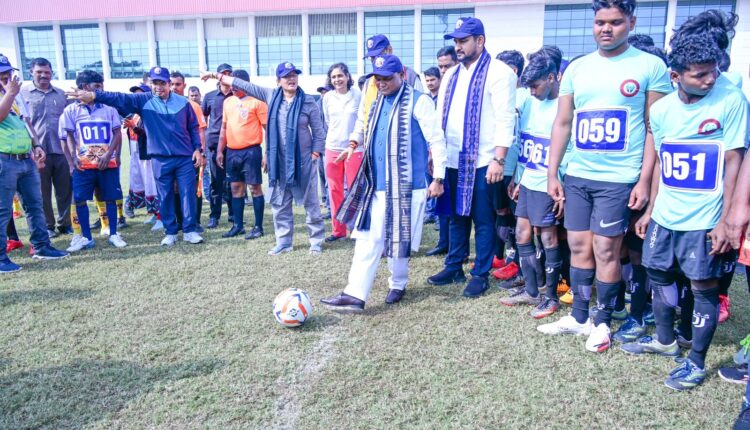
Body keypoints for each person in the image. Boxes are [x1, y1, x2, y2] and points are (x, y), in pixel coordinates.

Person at [536, 0, 672, 354]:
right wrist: (553, 173)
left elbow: (655, 129)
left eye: (614, 22)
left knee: (606, 250)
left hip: (619, 178)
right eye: (599, 22)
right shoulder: (578, 68)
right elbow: (563, 123)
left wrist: (644, 181)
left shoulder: (650, 66)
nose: (606, 29)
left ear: (631, 22)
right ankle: (579, 317)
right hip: (578, 176)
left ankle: (601, 322)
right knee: (578, 246)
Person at [621, 33, 747, 392]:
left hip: (705, 219)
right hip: (666, 215)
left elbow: (734, 163)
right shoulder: (661, 110)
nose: (710, 79)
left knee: (703, 287)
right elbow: (662, 161)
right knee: (657, 272)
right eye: (700, 75)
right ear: (675, 76)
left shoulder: (731, 100)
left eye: (713, 72)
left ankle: (695, 361)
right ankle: (664, 340)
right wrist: (651, 210)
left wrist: (725, 220)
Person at [320, 54, 447, 311]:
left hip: (408, 187)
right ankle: (354, 294)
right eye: (377, 78)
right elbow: (365, 126)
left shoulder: (419, 101)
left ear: (401, 74)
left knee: (398, 241)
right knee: (368, 237)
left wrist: (439, 178)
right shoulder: (376, 99)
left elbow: (436, 139)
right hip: (375, 184)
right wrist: (353, 143)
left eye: (387, 78)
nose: (382, 83)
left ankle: (398, 283)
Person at [426, 17, 517, 298]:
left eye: (463, 40)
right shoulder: (452, 74)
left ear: (480, 41)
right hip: (452, 157)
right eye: (456, 41)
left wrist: (498, 159)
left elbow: (505, 119)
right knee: (454, 216)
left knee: (483, 218)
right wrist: (435, 154)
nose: (458, 46)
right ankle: (454, 265)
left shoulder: (500, 73)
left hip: (483, 161)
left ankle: (480, 273)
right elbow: (439, 117)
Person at [66, 66, 204, 246]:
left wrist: (197, 149)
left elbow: (193, 127)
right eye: (155, 83)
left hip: (184, 157)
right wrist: (94, 96)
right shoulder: (143, 100)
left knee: (187, 195)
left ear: (169, 84)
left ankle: (189, 230)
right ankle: (170, 232)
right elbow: (119, 98)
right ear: (150, 84)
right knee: (165, 195)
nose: (158, 87)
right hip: (160, 159)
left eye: (162, 83)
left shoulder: (183, 102)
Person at [201, 62, 326, 255]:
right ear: (278, 81)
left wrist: (315, 153)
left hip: (304, 162)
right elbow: (243, 84)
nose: (291, 79)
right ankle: (284, 242)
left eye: (294, 75)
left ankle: (316, 241)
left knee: (311, 204)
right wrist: (215, 76)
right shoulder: (271, 96)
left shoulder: (308, 101)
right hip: (279, 163)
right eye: (286, 76)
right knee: (280, 203)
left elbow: (318, 132)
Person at [499, 46, 565, 320]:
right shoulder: (528, 102)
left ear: (552, 78)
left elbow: (568, 149)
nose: (533, 91)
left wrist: (560, 188)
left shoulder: (564, 106)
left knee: (547, 236)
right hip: (528, 180)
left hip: (549, 184)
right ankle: (531, 289)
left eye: (536, 86)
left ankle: (551, 297)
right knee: (522, 233)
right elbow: (520, 142)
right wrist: (516, 175)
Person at [0, 54, 69, 272]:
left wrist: (36, 145)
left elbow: (26, 121)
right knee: (2, 211)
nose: (6, 75)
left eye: (7, 71)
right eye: (1, 71)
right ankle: (1, 258)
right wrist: (10, 94)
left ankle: (42, 246)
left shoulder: (15, 94)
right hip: (4, 160)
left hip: (25, 159)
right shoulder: (12, 93)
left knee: (34, 205)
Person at [60, 70, 127, 252]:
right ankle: (86, 237)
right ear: (84, 87)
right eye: (96, 86)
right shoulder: (71, 110)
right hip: (84, 165)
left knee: (111, 198)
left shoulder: (109, 108)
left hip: (107, 163)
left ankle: (114, 233)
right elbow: (67, 136)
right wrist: (72, 160)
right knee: (80, 199)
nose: (101, 89)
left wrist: (110, 154)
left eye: (101, 85)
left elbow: (117, 133)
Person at [21, 57, 73, 238]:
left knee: (65, 190)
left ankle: (65, 223)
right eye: (39, 72)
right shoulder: (22, 94)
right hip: (36, 151)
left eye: (47, 72)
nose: (44, 75)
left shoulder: (61, 94)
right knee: (42, 192)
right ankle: (48, 226)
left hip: (61, 150)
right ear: (31, 73)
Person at [217, 69, 268, 240]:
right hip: (232, 152)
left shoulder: (257, 102)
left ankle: (258, 227)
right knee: (236, 188)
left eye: (234, 83)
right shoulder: (228, 102)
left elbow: (267, 130)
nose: (231, 87)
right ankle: (238, 226)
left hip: (251, 151)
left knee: (254, 188)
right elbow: (224, 128)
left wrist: (267, 153)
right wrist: (219, 150)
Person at [322, 63, 362, 242]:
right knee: (335, 190)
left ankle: (356, 229)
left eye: (340, 76)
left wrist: (353, 143)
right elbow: (328, 121)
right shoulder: (327, 97)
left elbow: (362, 121)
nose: (337, 80)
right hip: (332, 148)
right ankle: (338, 230)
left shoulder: (358, 95)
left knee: (355, 190)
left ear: (347, 76)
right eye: (334, 77)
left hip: (354, 149)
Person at [169, 71, 207, 233]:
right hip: (172, 155)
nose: (174, 87)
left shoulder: (194, 106)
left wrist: (201, 152)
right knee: (175, 188)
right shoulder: (164, 105)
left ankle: (195, 221)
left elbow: (200, 131)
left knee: (194, 188)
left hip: (192, 154)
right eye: (171, 84)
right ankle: (179, 221)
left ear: (184, 86)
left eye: (178, 84)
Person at [202, 63, 235, 229]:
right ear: (219, 75)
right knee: (216, 182)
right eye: (224, 73)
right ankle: (214, 216)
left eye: (230, 73)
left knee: (232, 182)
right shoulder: (209, 96)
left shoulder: (237, 95)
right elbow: (202, 119)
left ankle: (233, 214)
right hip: (214, 144)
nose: (227, 76)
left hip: (235, 144)